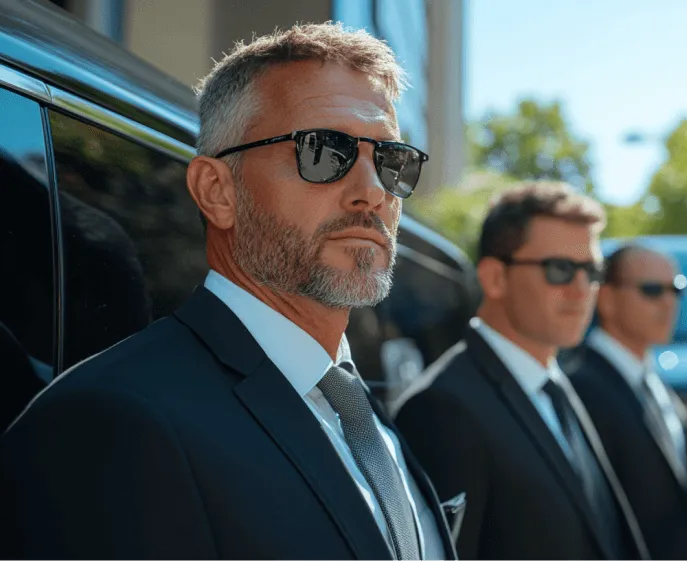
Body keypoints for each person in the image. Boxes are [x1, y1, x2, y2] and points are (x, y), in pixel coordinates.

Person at [0, 23, 457, 561]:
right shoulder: (109, 422)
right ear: (216, 191)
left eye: (390, 160)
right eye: (324, 150)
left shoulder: (362, 413)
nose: (372, 192)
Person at [391, 182, 650, 561]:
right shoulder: (442, 408)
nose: (582, 291)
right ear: (495, 278)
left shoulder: (557, 385)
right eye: (560, 269)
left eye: (592, 271)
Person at [561, 245, 687, 560]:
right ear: (605, 299)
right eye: (651, 290)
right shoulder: (577, 387)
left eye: (677, 289)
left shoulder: (653, 382)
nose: (668, 302)